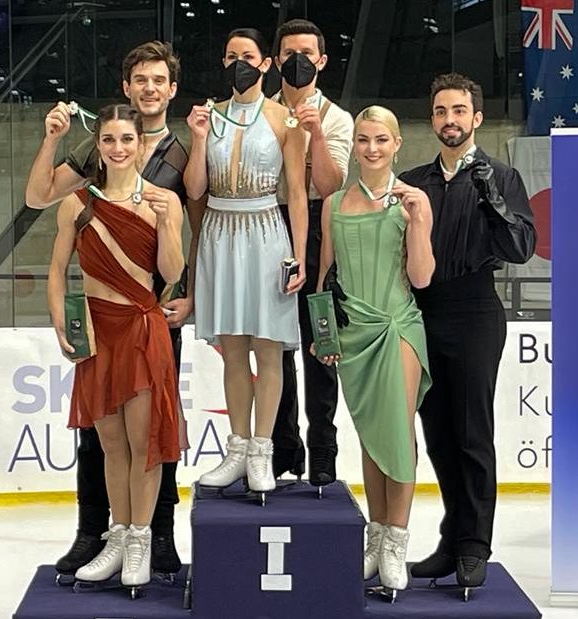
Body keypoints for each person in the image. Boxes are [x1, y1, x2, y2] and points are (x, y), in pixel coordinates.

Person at [24, 41, 191, 577]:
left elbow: (171, 272)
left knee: (145, 445)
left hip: (144, 331)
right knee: (110, 447)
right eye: (110, 140)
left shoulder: (164, 201)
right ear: (98, 145)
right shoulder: (79, 200)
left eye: (127, 140)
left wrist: (167, 222)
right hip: (97, 333)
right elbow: (55, 269)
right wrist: (59, 322)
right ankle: (117, 537)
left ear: (142, 146)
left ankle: (142, 541)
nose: (119, 148)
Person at [399, 73, 536, 588]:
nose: (449, 120)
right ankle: (453, 538)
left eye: (459, 111)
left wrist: (489, 197)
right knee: (437, 433)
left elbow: (520, 248)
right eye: (440, 111)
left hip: (476, 309)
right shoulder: (414, 181)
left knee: (472, 433)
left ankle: (476, 544)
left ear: (476, 118)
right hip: (422, 312)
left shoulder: (501, 176)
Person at [312, 106, 433, 593]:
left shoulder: (411, 201)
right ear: (354, 144)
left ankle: (397, 542)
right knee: (369, 436)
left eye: (381, 140)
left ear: (397, 144)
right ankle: (376, 536)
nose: (372, 149)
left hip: (397, 326)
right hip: (352, 335)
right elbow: (325, 275)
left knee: (397, 433)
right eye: (363, 140)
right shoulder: (334, 203)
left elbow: (422, 277)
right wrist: (325, 337)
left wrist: (419, 221)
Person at [184, 28, 307, 495]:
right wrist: (197, 139)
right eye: (232, 54)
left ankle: (262, 450)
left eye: (248, 56)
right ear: (223, 61)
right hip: (219, 229)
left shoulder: (284, 120)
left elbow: (296, 193)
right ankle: (236, 447)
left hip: (265, 230)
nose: (240, 62)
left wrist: (297, 255)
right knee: (233, 348)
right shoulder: (208, 117)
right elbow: (195, 189)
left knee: (268, 345)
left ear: (266, 63)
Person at [267, 18, 354, 484]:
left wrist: (315, 134)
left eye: (307, 53)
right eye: (289, 53)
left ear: (321, 60)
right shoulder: (262, 112)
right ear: (276, 60)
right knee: (276, 345)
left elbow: (331, 185)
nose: (298, 61)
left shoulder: (338, 118)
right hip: (267, 227)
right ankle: (284, 445)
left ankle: (323, 445)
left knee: (320, 343)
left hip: (320, 229)